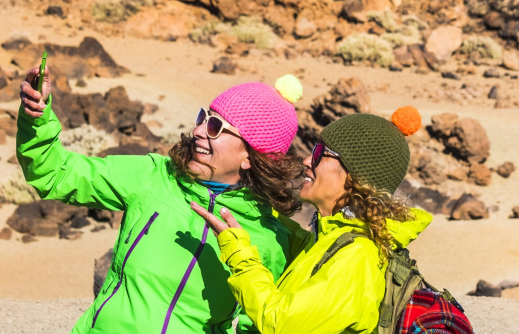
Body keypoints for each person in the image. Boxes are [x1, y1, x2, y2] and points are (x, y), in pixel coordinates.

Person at [17, 65, 306, 333]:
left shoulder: (267, 238)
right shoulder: (154, 176)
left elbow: (253, 324)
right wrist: (36, 120)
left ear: (249, 157)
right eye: (203, 119)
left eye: (215, 127)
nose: (197, 132)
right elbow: (57, 173)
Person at [193, 106, 433, 334]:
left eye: (320, 153)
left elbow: (280, 323)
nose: (307, 161)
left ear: (354, 176)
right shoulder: (329, 240)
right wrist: (255, 207)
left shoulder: (358, 256)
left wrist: (239, 253)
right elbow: (290, 238)